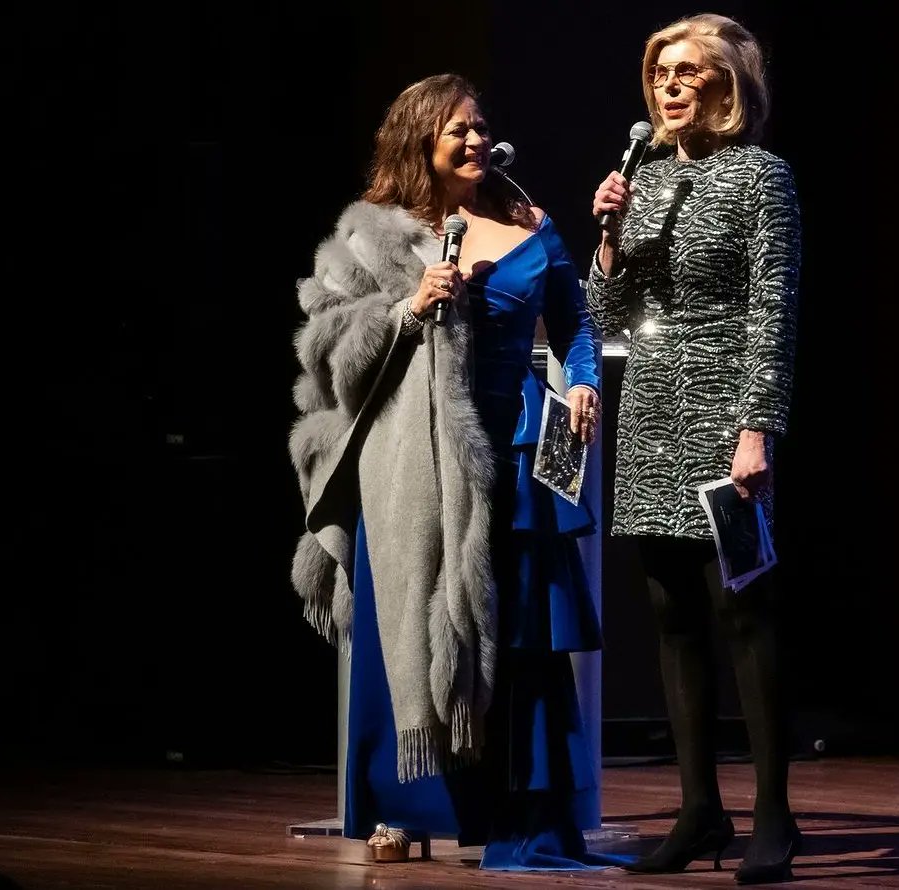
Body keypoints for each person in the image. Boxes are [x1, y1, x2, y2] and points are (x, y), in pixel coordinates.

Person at [288, 73, 623, 871]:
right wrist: (409, 308)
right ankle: (401, 806)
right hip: (412, 463)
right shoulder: (373, 238)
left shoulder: (528, 223)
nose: (476, 142)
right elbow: (325, 354)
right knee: (408, 622)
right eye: (456, 132)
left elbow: (576, 327)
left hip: (512, 453)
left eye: (480, 127)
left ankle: (515, 810)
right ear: (419, 147)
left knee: (512, 637)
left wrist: (581, 381)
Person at [587, 13, 802, 885]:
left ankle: (775, 818)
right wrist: (606, 237)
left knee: (742, 616)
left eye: (687, 72)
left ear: (727, 87)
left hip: (723, 426)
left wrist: (759, 427)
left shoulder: (760, 179)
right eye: (659, 74)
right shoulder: (638, 181)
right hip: (648, 422)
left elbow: (773, 310)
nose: (668, 86)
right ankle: (698, 811)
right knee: (672, 620)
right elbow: (606, 326)